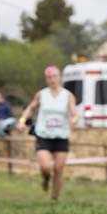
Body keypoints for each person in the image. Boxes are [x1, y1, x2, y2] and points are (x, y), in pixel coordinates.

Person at [18, 66, 78, 202]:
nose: (52, 80)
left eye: (54, 76)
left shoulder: (68, 95)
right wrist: (22, 121)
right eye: (49, 77)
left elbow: (74, 113)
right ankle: (45, 178)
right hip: (43, 135)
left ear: (59, 77)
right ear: (46, 79)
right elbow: (30, 108)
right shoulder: (41, 94)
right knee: (46, 167)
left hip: (61, 135)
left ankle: (54, 199)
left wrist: (74, 120)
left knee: (58, 168)